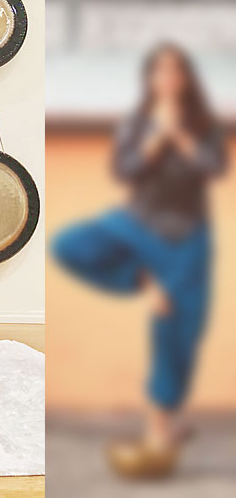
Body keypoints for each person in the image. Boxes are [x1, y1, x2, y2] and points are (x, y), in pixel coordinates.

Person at [53, 43, 227, 477]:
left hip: (186, 235)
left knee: (177, 333)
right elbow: (126, 171)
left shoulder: (203, 125)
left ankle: (162, 431)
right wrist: (156, 137)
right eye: (160, 72)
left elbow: (213, 167)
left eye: (176, 72)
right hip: (137, 222)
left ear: (186, 79)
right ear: (151, 79)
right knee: (71, 245)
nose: (168, 79)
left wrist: (179, 134)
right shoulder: (137, 123)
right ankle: (144, 280)